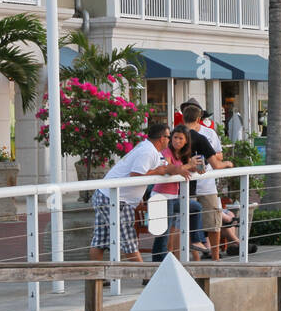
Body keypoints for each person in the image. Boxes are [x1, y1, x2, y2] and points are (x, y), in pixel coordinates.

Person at [89, 124, 191, 262]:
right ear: (162, 138)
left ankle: (97, 279)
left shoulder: (150, 149)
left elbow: (166, 167)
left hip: (108, 196)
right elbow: (136, 175)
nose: (170, 140)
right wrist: (160, 171)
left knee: (100, 241)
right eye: (169, 137)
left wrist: (180, 170)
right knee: (129, 242)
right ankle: (148, 278)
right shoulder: (147, 151)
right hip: (115, 199)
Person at [181, 100, 230, 260]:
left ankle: (215, 258)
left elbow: (218, 154)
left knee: (213, 223)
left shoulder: (208, 133)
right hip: (187, 185)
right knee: (187, 224)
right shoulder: (179, 134)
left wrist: (207, 156)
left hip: (207, 184)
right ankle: (196, 259)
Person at [150, 127, 200, 263]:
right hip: (160, 196)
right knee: (162, 235)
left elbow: (184, 169)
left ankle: (197, 240)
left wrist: (197, 167)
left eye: (181, 138)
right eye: (175, 137)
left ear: (186, 142)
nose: (177, 141)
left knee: (195, 207)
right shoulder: (166, 152)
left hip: (172, 198)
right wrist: (188, 165)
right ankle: (157, 267)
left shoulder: (183, 156)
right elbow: (170, 170)